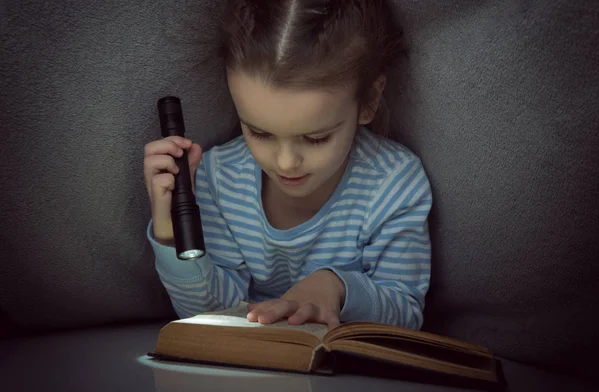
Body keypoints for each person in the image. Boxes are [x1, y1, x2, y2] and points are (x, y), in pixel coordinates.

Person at [143, 0, 432, 331]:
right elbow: (209, 317)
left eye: (316, 138)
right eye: (259, 132)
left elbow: (407, 316)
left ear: (369, 101)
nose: (285, 163)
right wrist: (171, 236)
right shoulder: (220, 179)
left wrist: (335, 288)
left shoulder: (394, 184)